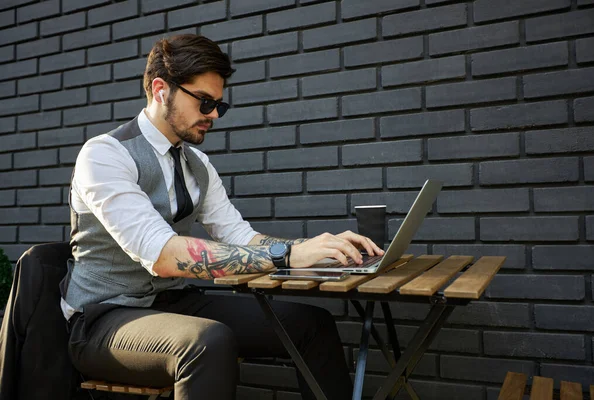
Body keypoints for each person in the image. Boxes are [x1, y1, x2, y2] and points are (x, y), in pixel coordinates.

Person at [60, 34, 384, 400]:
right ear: (160, 89)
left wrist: (317, 248)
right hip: (103, 319)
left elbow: (239, 237)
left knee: (312, 325)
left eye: (218, 105)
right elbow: (164, 256)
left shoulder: (198, 166)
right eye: (204, 102)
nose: (213, 114)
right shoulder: (104, 155)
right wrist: (288, 257)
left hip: (172, 303)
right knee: (207, 342)